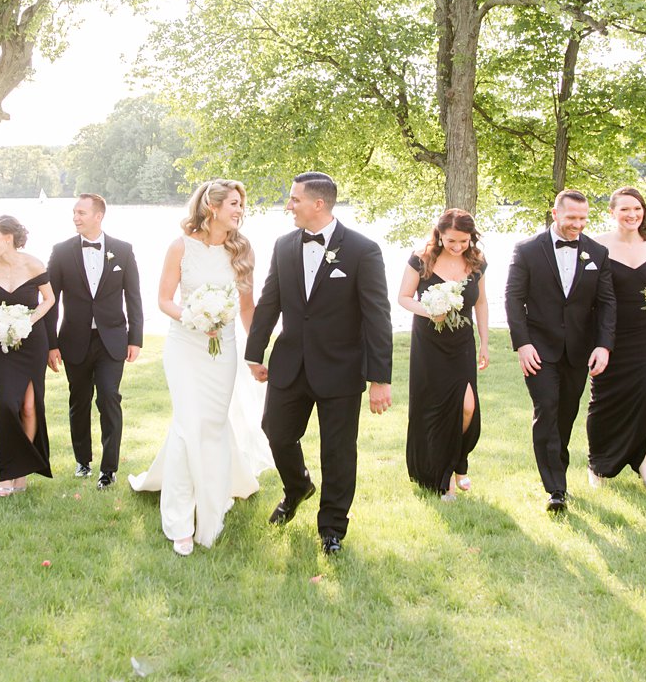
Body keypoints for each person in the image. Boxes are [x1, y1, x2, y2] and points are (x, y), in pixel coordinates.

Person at [245, 172, 393, 556]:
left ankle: (331, 530)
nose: (288, 206)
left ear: (318, 204)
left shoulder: (363, 250)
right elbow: (270, 300)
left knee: (338, 451)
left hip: (342, 369)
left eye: (294, 200)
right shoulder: (283, 245)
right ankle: (297, 486)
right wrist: (253, 353)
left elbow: (378, 316)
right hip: (290, 362)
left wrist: (380, 379)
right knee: (275, 431)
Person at [130, 179, 274, 555]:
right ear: (212, 207)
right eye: (233, 204)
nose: (240, 210)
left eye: (241, 204)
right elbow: (164, 300)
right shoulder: (180, 247)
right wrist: (192, 317)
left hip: (222, 349)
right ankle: (179, 520)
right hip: (185, 346)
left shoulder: (242, 250)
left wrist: (255, 353)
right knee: (186, 424)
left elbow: (246, 309)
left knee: (211, 424)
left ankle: (212, 503)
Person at [505, 189, 616, 512]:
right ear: (555, 214)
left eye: (583, 219)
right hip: (538, 348)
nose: (577, 225)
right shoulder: (527, 250)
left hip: (579, 351)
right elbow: (513, 299)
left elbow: (607, 303)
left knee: (566, 414)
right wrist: (522, 344)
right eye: (571, 218)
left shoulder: (597, 252)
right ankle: (555, 488)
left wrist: (603, 346)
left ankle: (558, 472)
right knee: (547, 408)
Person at [45, 193, 143, 490]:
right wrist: (51, 344)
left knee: (109, 397)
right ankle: (83, 461)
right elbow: (51, 300)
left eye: (81, 212)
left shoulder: (122, 250)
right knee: (79, 400)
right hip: (74, 339)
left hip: (112, 338)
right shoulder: (61, 251)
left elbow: (133, 296)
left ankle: (108, 469)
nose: (75, 217)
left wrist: (135, 338)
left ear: (98, 216)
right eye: (74, 212)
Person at [397, 208, 489, 500]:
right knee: (434, 408)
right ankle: (443, 475)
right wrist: (430, 310)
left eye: (464, 241)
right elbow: (402, 298)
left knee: (467, 407)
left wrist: (484, 341)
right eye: (452, 241)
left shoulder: (476, 262)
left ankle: (459, 460)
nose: (458, 246)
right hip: (429, 344)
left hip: (461, 343)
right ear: (439, 235)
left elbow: (482, 303)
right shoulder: (422, 259)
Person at [587, 187, 646, 491]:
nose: (632, 214)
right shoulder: (596, 245)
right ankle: (597, 464)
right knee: (605, 401)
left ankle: (644, 460)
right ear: (612, 213)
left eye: (637, 208)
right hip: (609, 331)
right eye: (624, 209)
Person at [0, 215, 55, 497]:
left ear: (7, 238)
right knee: (7, 405)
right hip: (3, 345)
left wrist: (28, 322)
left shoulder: (34, 264)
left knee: (30, 408)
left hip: (32, 343)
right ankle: (6, 470)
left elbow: (50, 299)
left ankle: (20, 474)